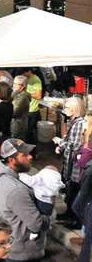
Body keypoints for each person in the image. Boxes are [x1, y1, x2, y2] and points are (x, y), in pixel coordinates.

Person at [0, 138, 50, 261]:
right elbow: (36, 224)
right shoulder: (16, 190)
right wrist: (51, 214)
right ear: (11, 160)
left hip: (14, 247)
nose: (30, 157)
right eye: (25, 155)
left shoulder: (4, 178)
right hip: (22, 253)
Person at [53, 96, 86, 225]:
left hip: (75, 166)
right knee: (69, 190)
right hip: (70, 163)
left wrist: (60, 142)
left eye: (67, 107)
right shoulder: (73, 121)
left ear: (74, 109)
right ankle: (68, 215)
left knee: (73, 190)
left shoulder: (79, 124)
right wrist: (61, 146)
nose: (64, 109)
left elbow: (76, 145)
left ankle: (73, 218)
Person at [22, 68, 42, 144]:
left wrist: (26, 94)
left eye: (24, 73)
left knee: (29, 133)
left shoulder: (36, 80)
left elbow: (38, 96)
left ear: (29, 71)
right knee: (26, 132)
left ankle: (32, 150)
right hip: (26, 109)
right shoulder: (27, 79)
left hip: (32, 110)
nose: (23, 75)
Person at [11, 75, 31, 140]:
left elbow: (15, 113)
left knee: (17, 145)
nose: (14, 85)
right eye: (14, 83)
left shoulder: (23, 97)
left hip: (18, 126)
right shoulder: (15, 94)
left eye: (16, 84)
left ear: (23, 86)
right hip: (14, 124)